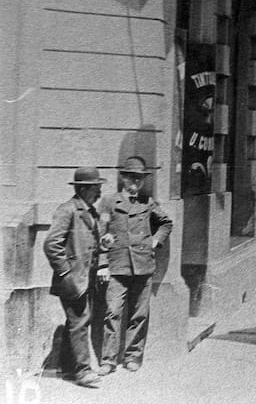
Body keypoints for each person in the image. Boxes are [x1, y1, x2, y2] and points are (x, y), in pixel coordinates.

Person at [97, 156, 173, 375]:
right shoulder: (109, 202)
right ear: (123, 178)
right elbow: (101, 234)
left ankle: (133, 356)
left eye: (139, 179)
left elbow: (166, 223)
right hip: (117, 265)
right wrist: (102, 264)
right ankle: (108, 360)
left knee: (139, 314)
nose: (136, 183)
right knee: (112, 312)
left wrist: (155, 241)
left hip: (142, 265)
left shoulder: (148, 202)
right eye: (132, 178)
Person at [44, 167, 107, 387]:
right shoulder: (67, 210)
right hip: (73, 279)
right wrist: (66, 273)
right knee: (79, 321)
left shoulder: (90, 211)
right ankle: (83, 371)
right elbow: (52, 244)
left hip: (85, 278)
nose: (99, 192)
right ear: (84, 189)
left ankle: (68, 368)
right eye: (96, 188)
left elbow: (90, 243)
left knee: (78, 321)